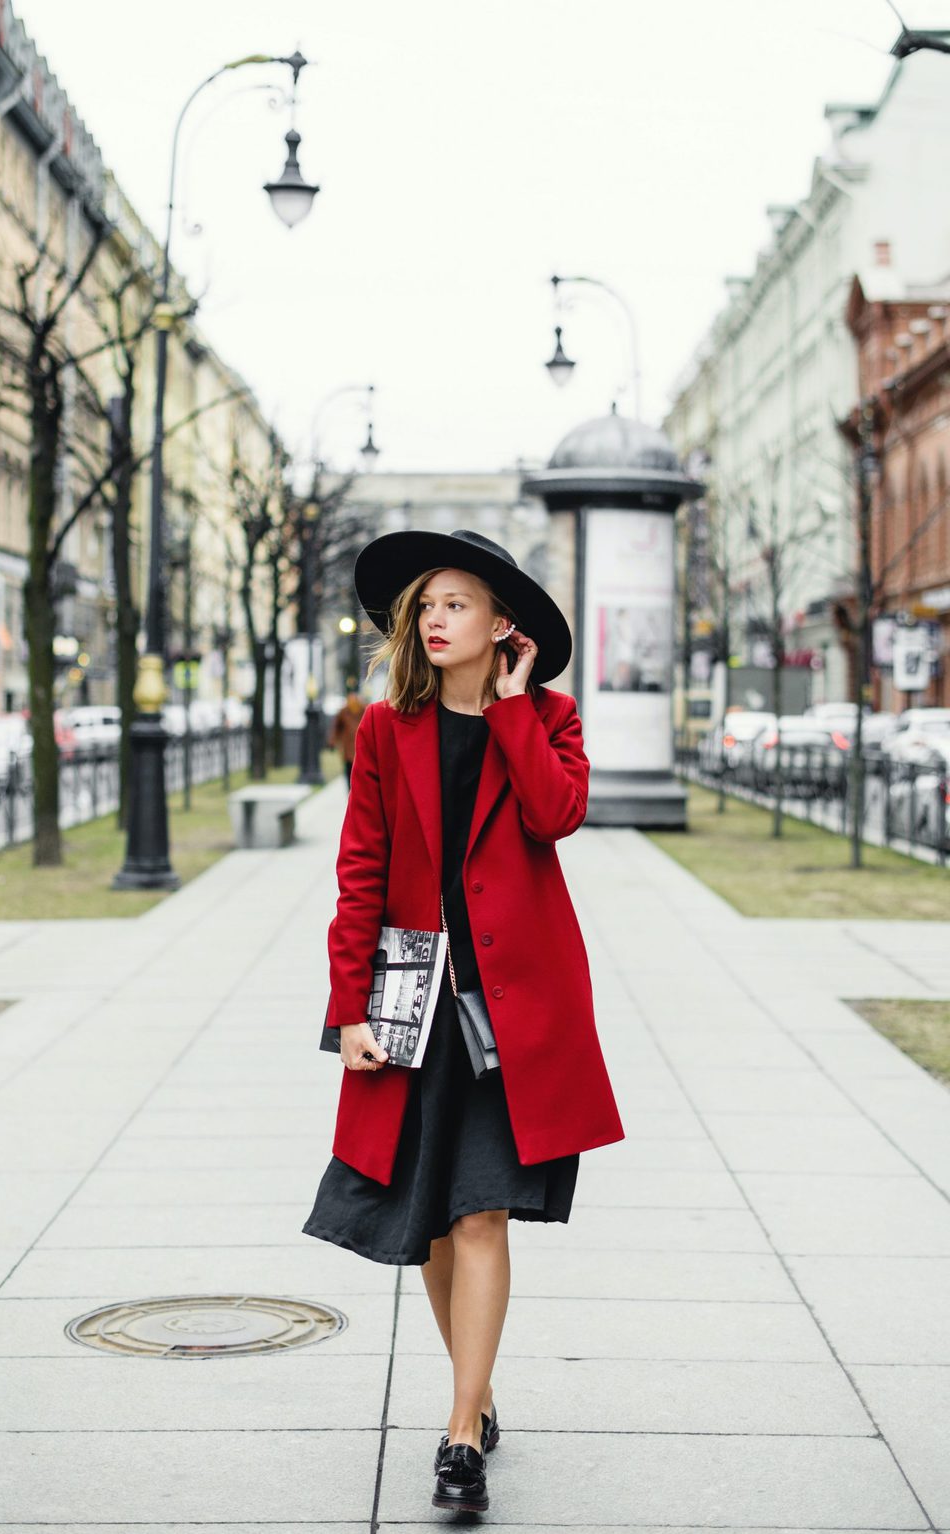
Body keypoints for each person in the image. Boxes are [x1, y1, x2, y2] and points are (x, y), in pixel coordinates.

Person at [303, 528, 625, 1516]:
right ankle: (476, 1396)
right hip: (413, 1002)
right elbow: (360, 870)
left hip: (514, 1009)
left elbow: (554, 814)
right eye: (425, 605)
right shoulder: (383, 729)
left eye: (454, 604)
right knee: (435, 1223)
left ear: (501, 627)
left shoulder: (550, 717)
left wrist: (517, 710)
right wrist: (347, 1008)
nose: (434, 619)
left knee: (480, 1209)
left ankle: (456, 1433)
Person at [326, 685, 366, 788]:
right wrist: (332, 741)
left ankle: (356, 791)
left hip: (362, 748)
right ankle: (350, 792)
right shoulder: (344, 711)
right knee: (349, 771)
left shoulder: (364, 709)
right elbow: (336, 727)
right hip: (348, 748)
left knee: (361, 773)